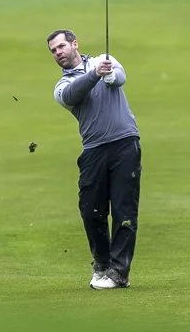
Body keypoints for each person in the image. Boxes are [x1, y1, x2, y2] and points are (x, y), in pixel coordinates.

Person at [47, 28, 141, 290]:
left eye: (61, 47)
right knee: (92, 211)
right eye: (53, 51)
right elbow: (73, 95)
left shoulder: (104, 59)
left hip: (125, 143)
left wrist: (109, 74)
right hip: (94, 150)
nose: (58, 53)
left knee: (125, 211)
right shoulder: (61, 86)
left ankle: (119, 272)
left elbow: (119, 78)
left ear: (75, 44)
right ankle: (101, 264)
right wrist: (95, 74)